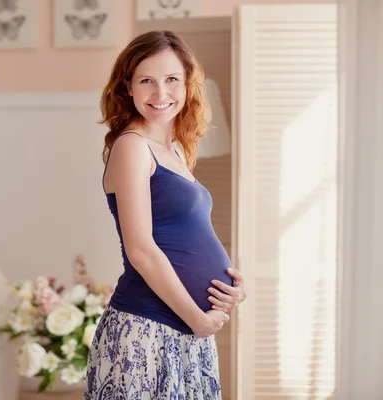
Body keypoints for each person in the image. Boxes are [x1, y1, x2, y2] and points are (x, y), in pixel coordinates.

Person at [84, 30, 247, 400]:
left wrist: (231, 287)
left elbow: (187, 235)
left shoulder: (173, 150)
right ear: (127, 87)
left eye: (172, 79)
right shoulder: (132, 146)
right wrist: (198, 318)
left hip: (186, 331)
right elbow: (141, 249)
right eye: (147, 81)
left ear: (187, 84)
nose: (161, 94)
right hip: (147, 333)